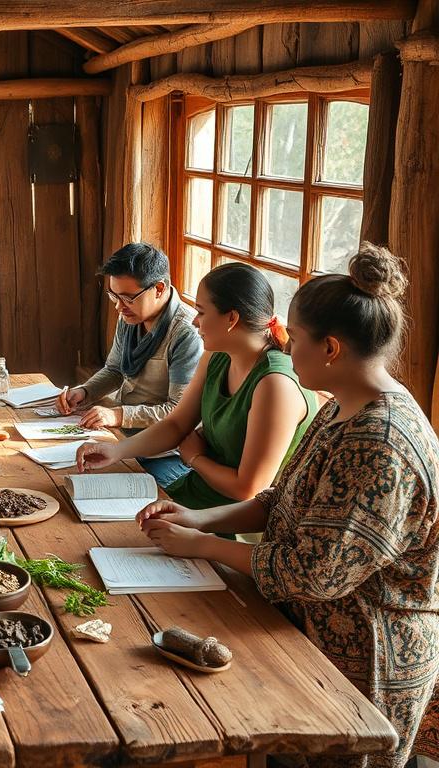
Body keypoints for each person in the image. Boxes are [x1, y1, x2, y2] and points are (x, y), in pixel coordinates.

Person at [134, 245, 439, 768]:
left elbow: (312, 572)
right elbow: (281, 499)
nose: (285, 348)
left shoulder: (381, 442)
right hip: (308, 631)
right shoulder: (344, 406)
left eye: (295, 339)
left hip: (363, 656)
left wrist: (202, 543)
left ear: (332, 349)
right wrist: (199, 518)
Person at [77, 262, 317, 507]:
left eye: (201, 312)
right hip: (196, 492)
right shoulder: (218, 355)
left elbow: (248, 489)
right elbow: (177, 424)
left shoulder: (275, 384)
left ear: (231, 318)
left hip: (236, 518)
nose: (194, 322)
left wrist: (194, 457)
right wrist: (117, 451)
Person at [58, 243, 203, 481]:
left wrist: (117, 415)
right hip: (121, 438)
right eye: (113, 296)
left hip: (165, 452)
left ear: (158, 288)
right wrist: (85, 392)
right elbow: (115, 370)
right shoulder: (131, 316)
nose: (118, 306)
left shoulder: (186, 333)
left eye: (127, 298)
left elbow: (177, 411)